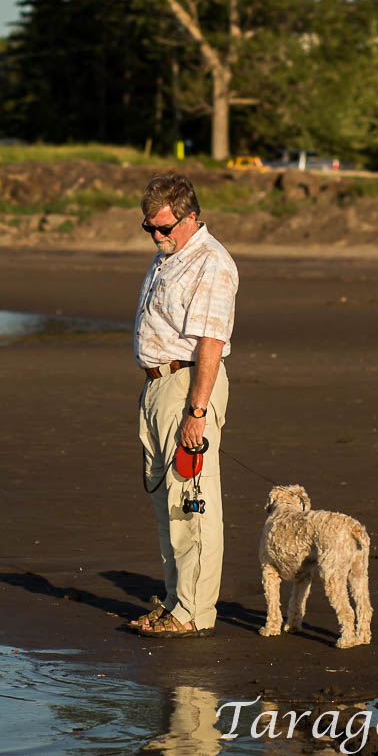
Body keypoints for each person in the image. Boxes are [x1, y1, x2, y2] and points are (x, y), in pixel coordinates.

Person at [129, 172, 239, 639]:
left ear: (191, 217)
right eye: (149, 228)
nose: (157, 236)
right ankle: (175, 602)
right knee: (165, 501)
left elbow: (211, 343)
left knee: (193, 501)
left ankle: (194, 612)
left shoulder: (211, 262)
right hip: (157, 387)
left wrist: (197, 413)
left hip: (189, 385)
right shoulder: (170, 256)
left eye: (165, 227)